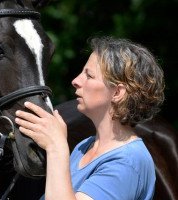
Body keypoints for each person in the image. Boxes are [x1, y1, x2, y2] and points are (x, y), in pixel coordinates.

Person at [15, 36, 165, 200]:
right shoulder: (84, 147)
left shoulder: (127, 162)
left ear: (117, 93)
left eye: (89, 76)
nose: (75, 81)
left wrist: (56, 147)